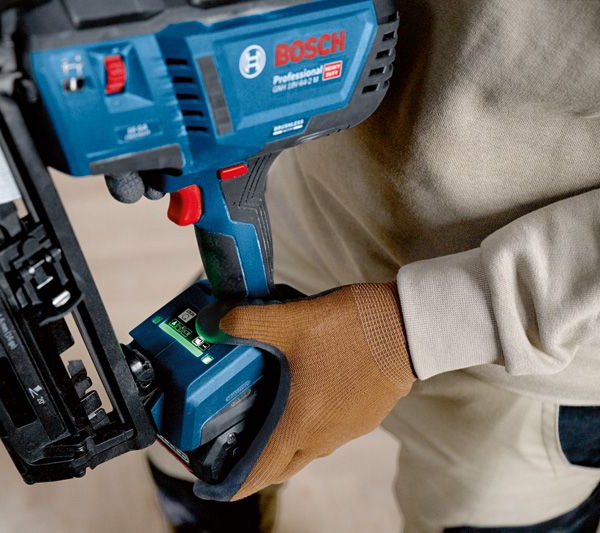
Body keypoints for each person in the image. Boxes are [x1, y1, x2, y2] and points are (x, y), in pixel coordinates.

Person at [148, 0, 600, 531]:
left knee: (480, 509)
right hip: (312, 217)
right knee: (182, 449)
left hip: (535, 344)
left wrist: (400, 332)